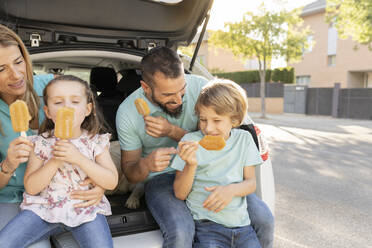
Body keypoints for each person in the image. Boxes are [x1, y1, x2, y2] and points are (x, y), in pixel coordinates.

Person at [116, 46, 274, 248]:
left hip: (210, 172)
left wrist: (172, 131)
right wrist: (147, 164)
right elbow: (130, 173)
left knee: (264, 220)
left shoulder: (200, 88)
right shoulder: (127, 113)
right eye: (169, 95)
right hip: (162, 178)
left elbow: (224, 137)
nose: (180, 99)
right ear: (146, 88)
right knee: (181, 232)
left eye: (182, 90)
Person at [0, 24, 106, 248]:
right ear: (47, 111)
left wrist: (99, 185)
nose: (16, 75)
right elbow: (32, 186)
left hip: (78, 200)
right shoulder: (41, 143)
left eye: (19, 62)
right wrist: (7, 165)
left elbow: (106, 170)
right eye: (1, 69)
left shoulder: (53, 87)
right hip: (20, 199)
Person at [171, 80, 262, 248]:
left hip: (242, 227)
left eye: (217, 120)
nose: (208, 128)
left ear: (234, 119)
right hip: (207, 227)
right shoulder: (190, 142)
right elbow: (180, 194)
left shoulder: (244, 140)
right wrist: (191, 165)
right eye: (203, 119)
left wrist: (231, 190)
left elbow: (251, 183)